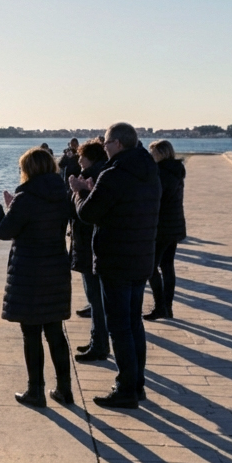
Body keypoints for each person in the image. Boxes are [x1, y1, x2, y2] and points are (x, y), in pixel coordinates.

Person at [68, 122, 161, 410]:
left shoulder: (114, 174)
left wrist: (79, 191)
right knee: (134, 324)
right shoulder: (149, 171)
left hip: (116, 260)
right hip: (141, 257)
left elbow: (88, 214)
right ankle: (137, 384)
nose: (104, 147)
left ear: (118, 144)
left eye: (106, 143)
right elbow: (123, 207)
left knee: (119, 327)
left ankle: (125, 389)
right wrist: (96, 190)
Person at [0, 148, 74, 407]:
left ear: (28, 169)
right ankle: (64, 389)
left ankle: (36, 390)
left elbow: (4, 231)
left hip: (29, 273)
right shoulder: (61, 194)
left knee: (31, 333)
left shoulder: (26, 196)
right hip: (56, 269)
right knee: (55, 332)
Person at [70, 141, 109, 362]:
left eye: (81, 157)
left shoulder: (92, 176)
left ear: (90, 158)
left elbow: (85, 212)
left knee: (95, 299)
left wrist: (77, 191)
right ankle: (98, 341)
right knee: (96, 299)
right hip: (90, 245)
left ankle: (99, 344)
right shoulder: (99, 173)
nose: (78, 161)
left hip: (89, 245)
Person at [144, 140, 186, 321]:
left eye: (152, 153)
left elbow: (154, 199)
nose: (150, 156)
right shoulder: (176, 170)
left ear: (160, 153)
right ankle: (167, 307)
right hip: (174, 225)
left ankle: (160, 305)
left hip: (162, 226)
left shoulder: (161, 173)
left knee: (151, 267)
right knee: (167, 266)